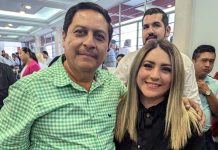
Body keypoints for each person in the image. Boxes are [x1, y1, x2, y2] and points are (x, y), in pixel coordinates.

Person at [0, 2, 126, 149]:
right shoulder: (29, 89)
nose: (90, 43)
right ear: (64, 38)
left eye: (99, 37)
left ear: (108, 46)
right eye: (80, 32)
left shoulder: (114, 86)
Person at [115, 39, 205, 150]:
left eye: (166, 69)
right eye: (148, 66)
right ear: (136, 69)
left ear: (175, 76)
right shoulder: (116, 112)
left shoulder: (189, 123)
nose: (155, 75)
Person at [114, 7, 202, 107]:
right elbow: (115, 94)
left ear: (168, 30)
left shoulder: (183, 61)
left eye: (156, 25)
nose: (150, 31)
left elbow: (193, 101)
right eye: (145, 27)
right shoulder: (128, 60)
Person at [192, 45, 218, 150]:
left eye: (211, 61)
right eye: (204, 60)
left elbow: (217, 112)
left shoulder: (215, 84)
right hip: (179, 133)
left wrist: (207, 91)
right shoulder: (181, 80)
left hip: (204, 136)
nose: (208, 65)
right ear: (193, 61)